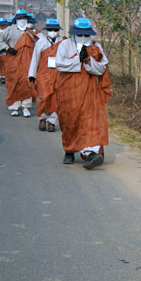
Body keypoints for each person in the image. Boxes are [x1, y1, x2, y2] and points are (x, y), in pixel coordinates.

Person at [54, 17, 110, 169]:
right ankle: (69, 150)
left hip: (90, 90)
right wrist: (78, 61)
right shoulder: (65, 44)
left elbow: (102, 68)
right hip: (68, 90)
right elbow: (60, 64)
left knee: (91, 120)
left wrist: (88, 62)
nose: (83, 38)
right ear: (74, 33)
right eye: (80, 34)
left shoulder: (96, 47)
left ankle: (90, 153)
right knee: (70, 120)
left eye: (86, 35)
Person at [0, 9, 37, 117]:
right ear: (16, 20)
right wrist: (7, 48)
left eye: (24, 18)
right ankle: (14, 106)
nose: (22, 20)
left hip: (27, 61)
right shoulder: (9, 30)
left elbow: (38, 45)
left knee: (26, 82)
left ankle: (26, 106)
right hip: (13, 59)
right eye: (19, 18)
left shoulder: (30, 32)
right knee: (13, 82)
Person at [28, 19, 64, 132]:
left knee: (56, 99)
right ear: (47, 30)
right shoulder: (41, 42)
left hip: (59, 74)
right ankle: (43, 118)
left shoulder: (63, 42)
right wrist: (32, 75)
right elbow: (35, 59)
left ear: (58, 30)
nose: (53, 31)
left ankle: (52, 121)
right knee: (44, 97)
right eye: (50, 29)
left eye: (55, 30)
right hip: (44, 74)